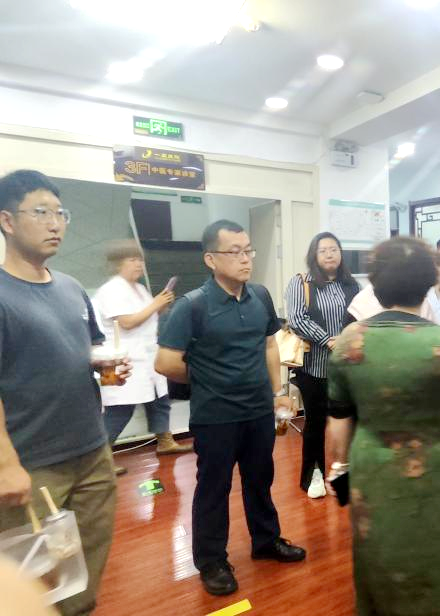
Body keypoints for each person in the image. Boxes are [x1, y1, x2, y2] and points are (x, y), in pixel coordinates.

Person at [326, 236, 440, 615]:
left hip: (371, 468)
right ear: (429, 283)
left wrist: (340, 468)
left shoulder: (351, 341)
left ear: (376, 285)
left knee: (379, 552)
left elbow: (338, 422)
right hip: (431, 470)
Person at [0, 169, 129, 616]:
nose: (55, 223)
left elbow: (91, 348)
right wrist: (6, 465)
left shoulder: (71, 288)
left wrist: (108, 367)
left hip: (92, 450)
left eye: (61, 213)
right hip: (32, 462)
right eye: (41, 212)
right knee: (33, 578)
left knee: (87, 567)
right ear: (7, 221)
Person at [156, 220, 305, 597]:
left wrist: (278, 392)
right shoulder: (192, 305)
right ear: (211, 259)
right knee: (213, 488)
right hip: (215, 416)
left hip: (258, 411)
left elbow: (269, 346)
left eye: (248, 250)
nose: (245, 259)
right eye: (234, 252)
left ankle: (266, 541)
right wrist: (208, 377)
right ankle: (211, 561)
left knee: (260, 480)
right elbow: (165, 362)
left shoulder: (260, 296)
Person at [92, 240, 190, 477]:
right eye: (132, 259)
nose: (138, 264)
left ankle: (165, 441)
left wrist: (161, 306)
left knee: (160, 400)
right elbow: (127, 322)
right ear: (117, 264)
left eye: (140, 259)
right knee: (118, 410)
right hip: (117, 359)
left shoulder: (139, 288)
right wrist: (156, 304)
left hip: (147, 356)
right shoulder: (110, 290)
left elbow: (147, 317)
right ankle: (99, 461)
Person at [284, 232, 360, 499]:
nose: (329, 254)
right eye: (323, 250)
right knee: (316, 424)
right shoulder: (301, 282)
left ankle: (347, 471)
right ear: (314, 255)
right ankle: (313, 474)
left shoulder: (351, 284)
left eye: (334, 249)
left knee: (351, 420)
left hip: (348, 367)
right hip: (315, 368)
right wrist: (328, 340)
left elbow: (360, 317)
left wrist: (345, 339)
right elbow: (297, 318)